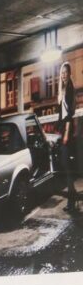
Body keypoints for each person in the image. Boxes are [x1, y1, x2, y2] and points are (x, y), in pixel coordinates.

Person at [62, 66, 79, 209]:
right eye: (61, 73)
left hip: (67, 130)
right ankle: (73, 197)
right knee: (66, 166)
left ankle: (71, 201)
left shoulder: (70, 88)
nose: (63, 75)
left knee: (67, 167)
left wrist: (66, 133)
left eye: (65, 73)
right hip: (63, 130)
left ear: (69, 73)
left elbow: (70, 113)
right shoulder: (64, 88)